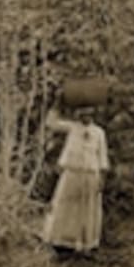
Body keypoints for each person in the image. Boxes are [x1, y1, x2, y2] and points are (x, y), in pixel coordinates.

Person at [42, 107, 109, 253]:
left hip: (90, 173)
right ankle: (61, 240)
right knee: (64, 205)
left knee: (87, 209)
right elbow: (52, 124)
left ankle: (85, 243)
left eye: (89, 114)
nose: (85, 117)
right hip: (72, 172)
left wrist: (102, 178)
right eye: (82, 114)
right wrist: (56, 104)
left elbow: (102, 157)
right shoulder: (72, 128)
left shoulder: (99, 132)